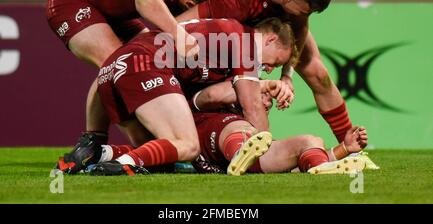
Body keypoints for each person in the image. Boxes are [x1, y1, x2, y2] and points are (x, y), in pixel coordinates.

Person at [58, 17, 297, 174]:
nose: (269, 68)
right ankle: (121, 166)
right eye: (276, 61)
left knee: (160, 156)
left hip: (114, 67)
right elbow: (252, 105)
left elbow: (215, 93)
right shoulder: (244, 40)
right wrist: (265, 152)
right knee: (188, 146)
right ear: (270, 39)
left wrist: (263, 84)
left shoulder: (222, 38)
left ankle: (96, 154)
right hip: (143, 63)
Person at [48, 0, 221, 168]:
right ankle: (92, 140)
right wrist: (179, 34)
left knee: (140, 62)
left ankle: (148, 145)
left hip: (113, 12)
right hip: (72, 0)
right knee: (116, 64)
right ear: (189, 3)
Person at [175, 0, 353, 144]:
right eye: (304, 11)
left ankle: (350, 147)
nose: (304, 15)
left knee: (318, 73)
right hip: (232, 19)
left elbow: (300, 24)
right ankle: (250, 148)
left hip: (266, 15)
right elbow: (177, 24)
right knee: (234, 88)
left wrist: (287, 75)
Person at [189, 79, 368, 175]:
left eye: (270, 103)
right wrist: (265, 83)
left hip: (250, 156)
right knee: (242, 129)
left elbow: (292, 167)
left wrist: (344, 148)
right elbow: (210, 95)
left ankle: (322, 169)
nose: (268, 103)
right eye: (265, 95)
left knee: (310, 140)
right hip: (211, 147)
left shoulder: (257, 143)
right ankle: (239, 154)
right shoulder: (208, 110)